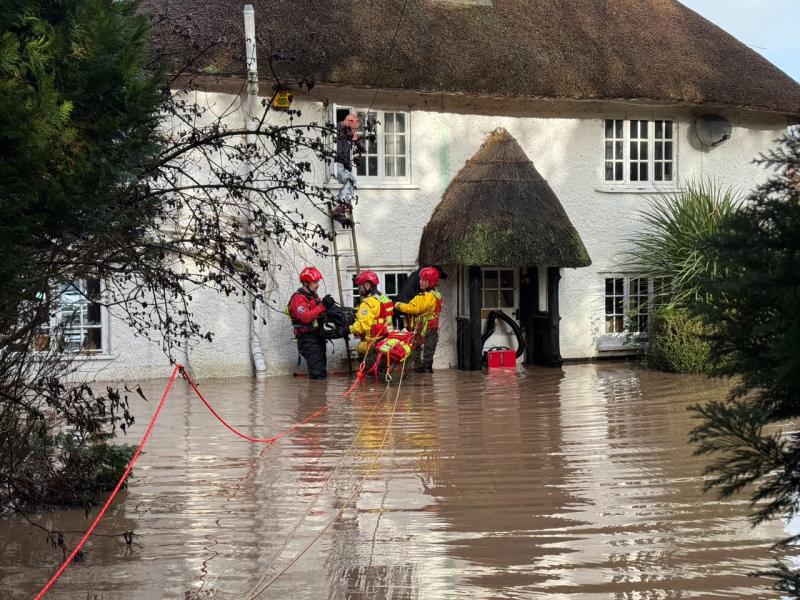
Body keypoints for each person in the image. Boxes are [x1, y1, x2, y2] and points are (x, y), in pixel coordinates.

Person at [286, 266, 336, 379]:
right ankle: (314, 396)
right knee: (318, 374)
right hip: (307, 339)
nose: (317, 284)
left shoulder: (313, 297)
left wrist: (329, 307)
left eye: (317, 282)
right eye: (314, 282)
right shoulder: (298, 298)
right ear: (305, 282)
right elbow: (305, 317)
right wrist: (322, 306)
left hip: (317, 337)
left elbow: (319, 313)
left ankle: (319, 395)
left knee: (321, 372)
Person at [394, 266, 443, 373]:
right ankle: (424, 373)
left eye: (424, 280)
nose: (420, 282)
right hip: (428, 327)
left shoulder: (426, 296)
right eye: (420, 279)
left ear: (431, 282)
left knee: (425, 353)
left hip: (427, 328)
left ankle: (426, 375)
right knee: (422, 350)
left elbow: (413, 308)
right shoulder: (434, 294)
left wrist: (397, 305)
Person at [349, 270, 395, 355]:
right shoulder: (384, 298)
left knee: (362, 352)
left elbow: (362, 326)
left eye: (360, 286)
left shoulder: (367, 302)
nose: (359, 289)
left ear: (367, 285)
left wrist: (349, 329)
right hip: (386, 341)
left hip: (373, 344)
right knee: (383, 367)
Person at [332, 113, 365, 227]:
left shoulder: (346, 132)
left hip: (344, 165)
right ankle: (339, 207)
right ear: (348, 121)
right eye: (353, 128)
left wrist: (354, 139)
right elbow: (339, 149)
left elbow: (348, 143)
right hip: (336, 165)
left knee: (351, 180)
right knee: (351, 180)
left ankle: (341, 206)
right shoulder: (336, 129)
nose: (354, 131)